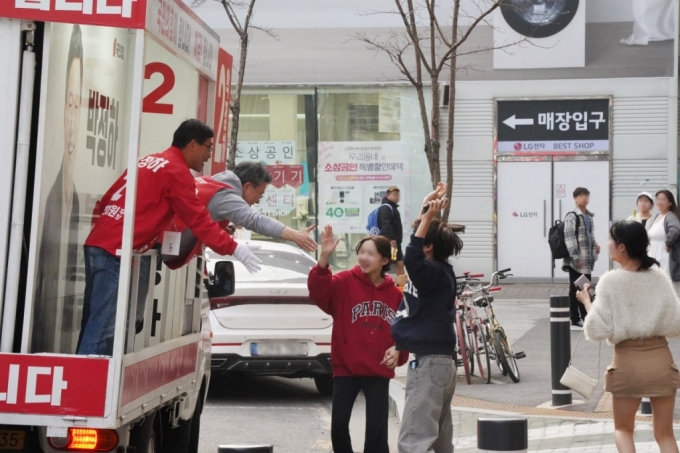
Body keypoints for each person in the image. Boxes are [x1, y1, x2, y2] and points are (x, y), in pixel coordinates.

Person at [77, 119, 262, 356]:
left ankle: (82, 378)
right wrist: (234, 248)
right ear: (192, 144)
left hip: (98, 244)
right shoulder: (176, 172)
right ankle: (88, 389)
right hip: (116, 252)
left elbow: (106, 201)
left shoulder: (148, 161)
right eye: (208, 147)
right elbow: (199, 220)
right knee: (103, 328)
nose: (208, 156)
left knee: (92, 323)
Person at [579, 221, 680, 453]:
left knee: (623, 430)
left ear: (622, 247)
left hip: (627, 363)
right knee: (665, 434)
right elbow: (676, 324)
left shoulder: (610, 281)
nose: (607, 244)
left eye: (610, 240)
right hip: (661, 362)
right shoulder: (659, 278)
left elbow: (596, 330)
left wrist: (587, 302)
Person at [308, 227, 408, 453]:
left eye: (370, 253)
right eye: (361, 252)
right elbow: (318, 292)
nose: (363, 257)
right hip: (347, 368)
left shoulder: (395, 295)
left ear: (383, 260)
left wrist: (398, 349)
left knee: (377, 431)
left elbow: (403, 332)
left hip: (378, 369)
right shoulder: (343, 282)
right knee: (339, 425)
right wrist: (324, 258)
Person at [392, 194, 463, 453]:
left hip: (430, 362)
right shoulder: (440, 272)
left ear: (428, 246)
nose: (415, 236)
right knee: (441, 440)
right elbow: (416, 241)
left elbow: (411, 256)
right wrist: (427, 206)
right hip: (441, 361)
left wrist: (430, 216)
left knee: (414, 438)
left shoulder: (431, 272)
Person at [162, 161, 317, 269]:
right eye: (260, 194)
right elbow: (255, 220)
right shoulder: (224, 195)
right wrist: (295, 235)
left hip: (159, 245)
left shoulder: (210, 183)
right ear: (247, 186)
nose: (257, 201)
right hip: (155, 250)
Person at [32, 24, 83, 353]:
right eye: (69, 104)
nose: (73, 118)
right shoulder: (44, 199)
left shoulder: (75, 200)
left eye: (79, 107)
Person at [562, 187, 600, 331]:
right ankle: (575, 318)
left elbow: (590, 236)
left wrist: (596, 246)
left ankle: (586, 317)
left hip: (587, 260)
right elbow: (569, 237)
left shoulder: (589, 216)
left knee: (586, 288)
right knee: (575, 289)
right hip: (576, 260)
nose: (584, 198)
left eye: (586, 195)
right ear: (575, 199)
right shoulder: (572, 216)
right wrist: (575, 256)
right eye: (581, 196)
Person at [648, 190, 680, 291]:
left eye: (663, 199)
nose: (659, 201)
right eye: (658, 199)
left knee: (666, 288)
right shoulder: (658, 216)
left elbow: (675, 230)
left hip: (665, 258)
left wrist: (668, 242)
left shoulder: (670, 216)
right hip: (654, 256)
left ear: (670, 202)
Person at [378, 186, 405, 282]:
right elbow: (386, 224)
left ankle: (401, 287)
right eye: (395, 195)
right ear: (388, 195)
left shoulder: (392, 208)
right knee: (391, 263)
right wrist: (392, 239)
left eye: (398, 195)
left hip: (394, 242)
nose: (397, 197)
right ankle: (380, 284)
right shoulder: (386, 207)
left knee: (398, 263)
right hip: (390, 242)